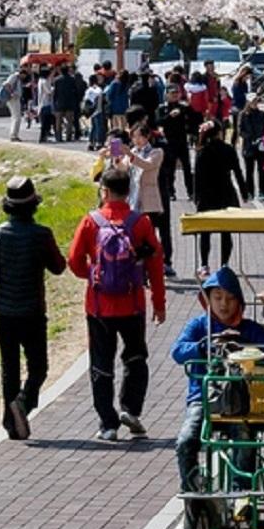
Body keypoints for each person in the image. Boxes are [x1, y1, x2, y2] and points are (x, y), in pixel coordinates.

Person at [67, 166, 166, 440]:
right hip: (133, 304)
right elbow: (156, 264)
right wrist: (159, 302)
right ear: (128, 191)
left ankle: (108, 424)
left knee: (101, 363)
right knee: (135, 358)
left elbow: (74, 262)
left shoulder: (91, 221)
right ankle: (131, 409)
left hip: (98, 306)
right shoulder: (141, 223)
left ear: (105, 191)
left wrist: (94, 274)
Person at [0, 176, 67, 440]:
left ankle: (11, 424)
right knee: (39, 368)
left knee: (9, 368)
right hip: (33, 312)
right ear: (33, 205)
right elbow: (58, 268)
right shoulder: (41, 235)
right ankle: (24, 403)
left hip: (4, 311)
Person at [171, 267, 264, 493]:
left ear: (239, 302)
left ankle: (242, 494)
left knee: (245, 439)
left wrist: (254, 349)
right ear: (207, 298)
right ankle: (192, 489)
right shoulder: (198, 326)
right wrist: (204, 346)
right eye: (217, 298)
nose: (223, 304)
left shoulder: (249, 329)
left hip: (241, 401)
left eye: (230, 298)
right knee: (186, 441)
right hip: (203, 399)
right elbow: (177, 351)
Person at [192, 121, 250, 276]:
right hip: (226, 194)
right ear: (219, 133)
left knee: (205, 232)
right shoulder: (228, 150)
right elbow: (238, 172)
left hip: (206, 196)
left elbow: (197, 177)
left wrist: (196, 197)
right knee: (226, 232)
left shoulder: (202, 152)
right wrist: (244, 193)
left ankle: (204, 264)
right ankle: (225, 264)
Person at [124, 122, 173, 278]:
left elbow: (147, 165)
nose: (137, 140)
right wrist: (115, 158)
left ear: (147, 137)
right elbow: (123, 169)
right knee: (135, 237)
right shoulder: (132, 152)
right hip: (133, 199)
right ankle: (141, 271)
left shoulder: (156, 152)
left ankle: (155, 266)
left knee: (149, 237)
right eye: (134, 136)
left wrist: (130, 156)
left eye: (140, 136)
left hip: (149, 201)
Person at [159, 85, 197, 198]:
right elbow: (159, 122)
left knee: (187, 168)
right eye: (172, 93)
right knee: (170, 169)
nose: (175, 95)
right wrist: (169, 116)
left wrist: (193, 134)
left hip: (182, 140)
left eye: (176, 93)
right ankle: (171, 191)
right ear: (167, 95)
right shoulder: (163, 108)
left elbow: (193, 121)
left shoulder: (184, 107)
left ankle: (191, 191)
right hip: (169, 142)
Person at [238, 93, 264, 201]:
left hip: (260, 146)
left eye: (256, 101)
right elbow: (240, 130)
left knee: (262, 170)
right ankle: (249, 191)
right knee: (249, 171)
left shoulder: (262, 115)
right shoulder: (243, 115)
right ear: (248, 102)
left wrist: (262, 139)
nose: (255, 103)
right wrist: (249, 138)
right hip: (248, 147)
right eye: (253, 101)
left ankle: (262, 191)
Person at [0, 65, 27, 142]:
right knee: (17, 117)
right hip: (13, 99)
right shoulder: (14, 77)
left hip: (15, 98)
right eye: (24, 75)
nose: (24, 77)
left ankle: (14, 134)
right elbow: (6, 85)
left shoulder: (17, 79)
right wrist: (12, 93)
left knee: (15, 117)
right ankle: (14, 135)